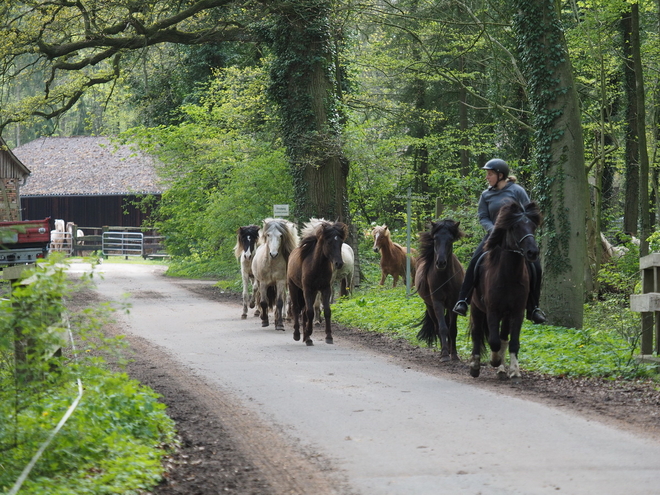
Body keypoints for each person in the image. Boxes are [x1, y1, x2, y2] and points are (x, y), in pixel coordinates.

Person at [452, 158, 546, 324]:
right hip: (494, 236)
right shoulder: (486, 195)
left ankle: (533, 308)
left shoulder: (517, 191)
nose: (487, 177)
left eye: (490, 174)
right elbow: (483, 216)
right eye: (487, 174)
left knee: (535, 266)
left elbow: (529, 213)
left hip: (516, 238)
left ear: (500, 175)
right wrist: (493, 229)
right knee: (475, 261)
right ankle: (463, 301)